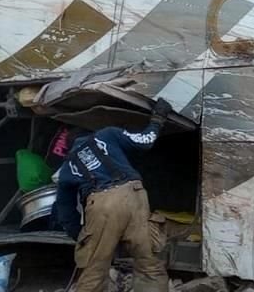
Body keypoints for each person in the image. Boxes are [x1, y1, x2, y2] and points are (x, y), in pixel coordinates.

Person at [54, 99, 174, 292]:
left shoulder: (67, 167)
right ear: (90, 133)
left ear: (70, 147)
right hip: (136, 194)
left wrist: (82, 237)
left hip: (103, 202)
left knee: (94, 270)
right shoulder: (107, 135)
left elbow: (65, 211)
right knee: (149, 265)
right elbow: (146, 141)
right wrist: (158, 118)